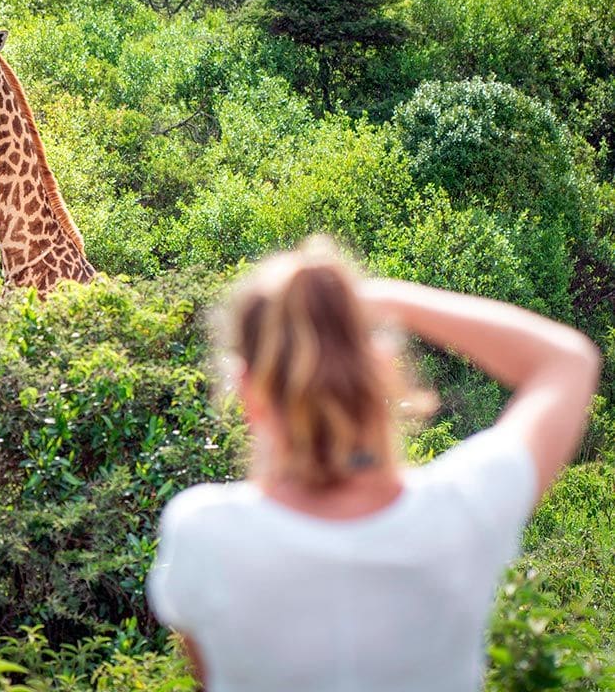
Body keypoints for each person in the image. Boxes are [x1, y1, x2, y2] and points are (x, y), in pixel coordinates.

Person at [146, 239, 601, 692]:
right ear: (382, 368)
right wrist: (381, 297)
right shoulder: (462, 512)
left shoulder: (202, 531)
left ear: (247, 391)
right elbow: (567, 360)